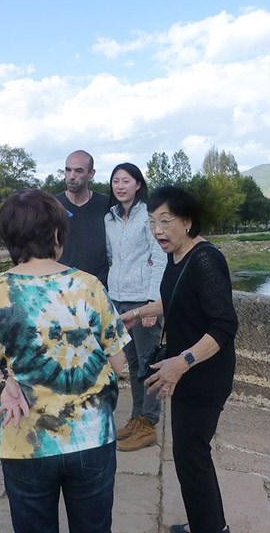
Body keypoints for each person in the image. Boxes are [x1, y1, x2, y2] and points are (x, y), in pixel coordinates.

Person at [0, 189, 129, 533]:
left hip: (23, 443)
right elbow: (118, 363)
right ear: (57, 234)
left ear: (10, 239)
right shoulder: (89, 287)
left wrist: (2, 383)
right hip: (91, 436)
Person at [121, 186, 236, 533]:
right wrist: (138, 312)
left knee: (192, 457)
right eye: (152, 222)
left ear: (187, 221)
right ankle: (206, 524)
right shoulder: (177, 257)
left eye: (165, 221)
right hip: (187, 373)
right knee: (189, 457)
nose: (157, 230)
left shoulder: (204, 259)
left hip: (204, 375)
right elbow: (175, 301)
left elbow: (224, 325)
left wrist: (181, 362)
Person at [105, 162, 167, 451]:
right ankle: (136, 417)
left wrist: (153, 302)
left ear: (138, 184)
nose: (120, 186)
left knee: (149, 362)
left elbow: (160, 257)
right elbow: (111, 258)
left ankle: (149, 423)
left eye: (126, 181)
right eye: (116, 181)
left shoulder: (148, 216)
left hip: (142, 299)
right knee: (132, 363)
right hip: (117, 298)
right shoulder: (110, 218)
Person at [56, 149, 111, 285]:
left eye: (78, 171)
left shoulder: (107, 205)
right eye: (68, 170)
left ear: (91, 174)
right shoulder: (52, 206)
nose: (71, 176)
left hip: (100, 289)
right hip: (63, 287)